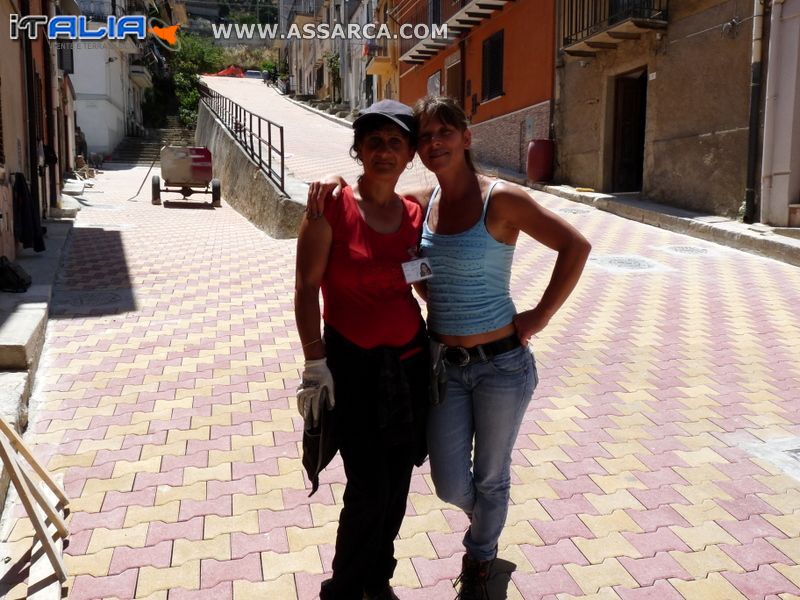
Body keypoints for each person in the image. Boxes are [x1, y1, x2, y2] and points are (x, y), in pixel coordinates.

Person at [308, 95, 591, 600]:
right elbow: (371, 195)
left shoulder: (499, 199)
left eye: (444, 133)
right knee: (435, 483)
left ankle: (479, 561)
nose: (432, 143)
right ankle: (366, 581)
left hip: (496, 363)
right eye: (426, 136)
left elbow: (576, 245)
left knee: (481, 478)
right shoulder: (424, 202)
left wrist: (539, 316)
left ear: (467, 137)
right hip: (433, 365)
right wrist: (332, 180)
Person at [294, 99, 431, 600]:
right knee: (368, 487)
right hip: (352, 368)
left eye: (396, 142)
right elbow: (307, 288)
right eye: (374, 141)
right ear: (358, 149)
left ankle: (379, 579)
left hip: (410, 366)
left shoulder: (416, 211)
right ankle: (348, 589)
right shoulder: (330, 205)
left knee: (397, 485)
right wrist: (315, 362)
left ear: (410, 152)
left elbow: (419, 275)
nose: (385, 151)